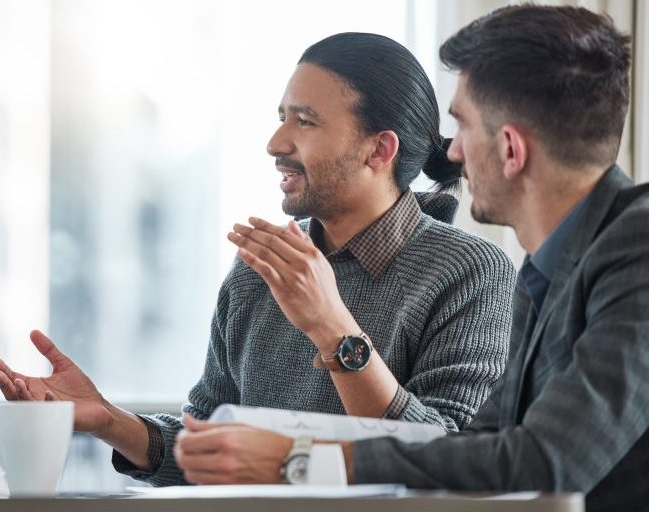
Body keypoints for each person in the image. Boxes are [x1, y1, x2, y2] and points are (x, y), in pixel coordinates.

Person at [0, 33, 516, 486]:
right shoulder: (256, 273)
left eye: (305, 122)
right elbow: (209, 447)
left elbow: (450, 468)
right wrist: (106, 419)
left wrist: (332, 327)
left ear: (379, 151)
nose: (275, 142)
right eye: (280, 118)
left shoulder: (472, 273)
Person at [187, 6, 649, 511]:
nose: (450, 154)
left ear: (511, 150)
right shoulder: (554, 268)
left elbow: (547, 461)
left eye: (464, 126)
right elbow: (476, 447)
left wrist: (297, 461)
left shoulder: (636, 249)